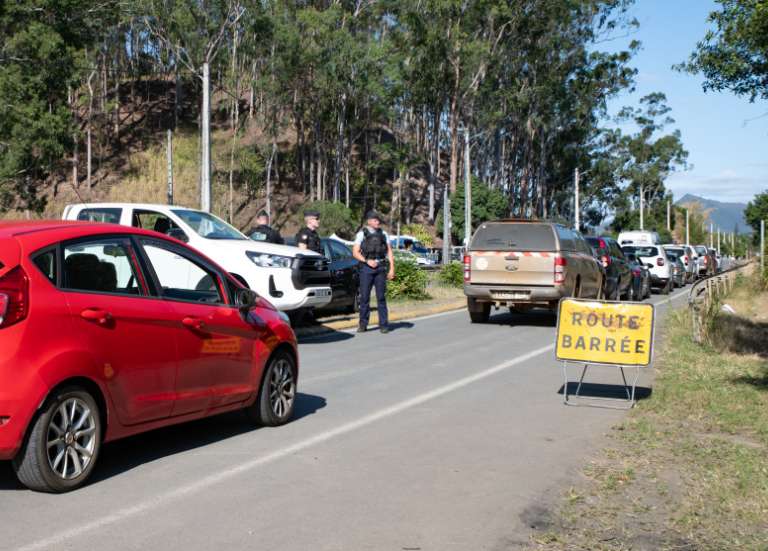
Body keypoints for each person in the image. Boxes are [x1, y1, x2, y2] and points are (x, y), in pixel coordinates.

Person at [352, 210, 395, 334]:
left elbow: (389, 252)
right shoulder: (362, 234)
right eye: (375, 220)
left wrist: (392, 268)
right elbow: (355, 252)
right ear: (369, 221)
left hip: (380, 267)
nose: (378, 222)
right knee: (364, 298)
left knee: (381, 297)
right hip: (366, 268)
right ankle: (363, 324)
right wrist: (366, 261)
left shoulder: (383, 234)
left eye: (378, 220)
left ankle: (384, 325)